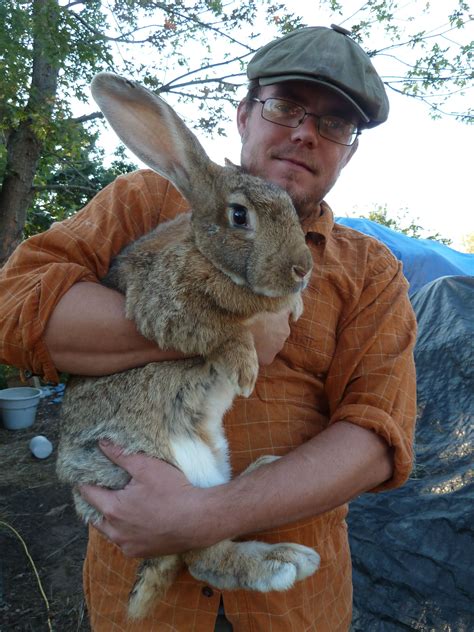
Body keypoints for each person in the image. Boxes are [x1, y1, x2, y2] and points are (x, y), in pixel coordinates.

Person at [0, 25, 417, 632]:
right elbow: (15, 308)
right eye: (285, 106)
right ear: (245, 114)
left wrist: (204, 517)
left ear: (348, 150)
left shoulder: (370, 270)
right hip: (139, 596)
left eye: (334, 124)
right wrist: (226, 331)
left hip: (291, 603)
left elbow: (379, 436)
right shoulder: (145, 201)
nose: (305, 132)